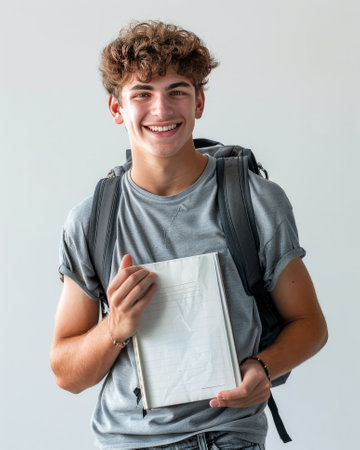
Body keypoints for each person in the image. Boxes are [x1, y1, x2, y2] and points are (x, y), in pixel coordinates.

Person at [50, 21, 328, 450]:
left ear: (199, 102)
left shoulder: (255, 201)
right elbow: (67, 374)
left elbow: (310, 325)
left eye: (177, 91)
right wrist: (115, 328)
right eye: (142, 93)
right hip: (125, 441)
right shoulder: (92, 219)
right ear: (116, 108)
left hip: (227, 438)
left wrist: (263, 368)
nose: (161, 110)